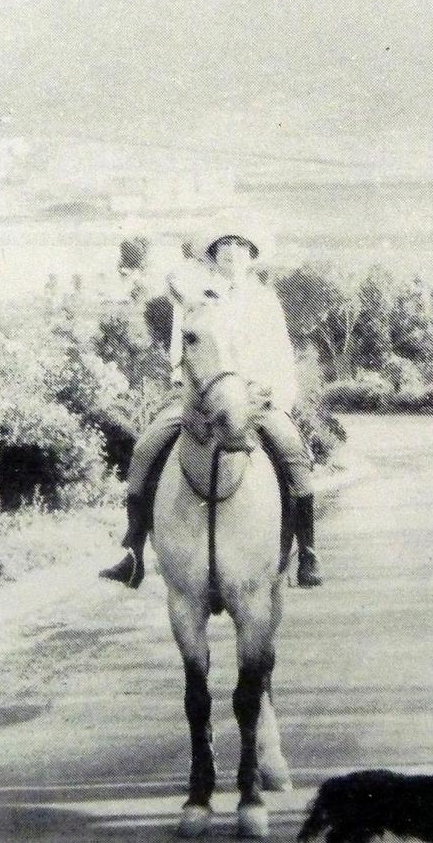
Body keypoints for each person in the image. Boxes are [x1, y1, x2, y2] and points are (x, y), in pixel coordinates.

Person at [99, 221, 323, 590]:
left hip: (254, 397)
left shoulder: (265, 301)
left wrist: (274, 394)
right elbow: (179, 351)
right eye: (224, 246)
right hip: (201, 395)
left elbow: (282, 358)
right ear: (214, 255)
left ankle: (308, 549)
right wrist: (186, 386)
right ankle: (133, 551)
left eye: (240, 245)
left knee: (292, 450)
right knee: (146, 448)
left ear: (251, 256)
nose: (232, 252)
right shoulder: (196, 297)